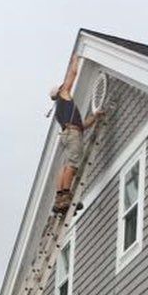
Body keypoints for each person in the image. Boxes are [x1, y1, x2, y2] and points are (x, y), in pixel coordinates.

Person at [50, 54, 102, 214]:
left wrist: (95, 117)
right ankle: (65, 196)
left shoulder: (61, 111)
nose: (66, 87)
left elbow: (82, 126)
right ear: (60, 91)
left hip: (68, 134)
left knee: (66, 165)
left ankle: (59, 198)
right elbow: (73, 74)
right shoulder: (63, 95)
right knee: (72, 164)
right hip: (72, 135)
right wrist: (76, 59)